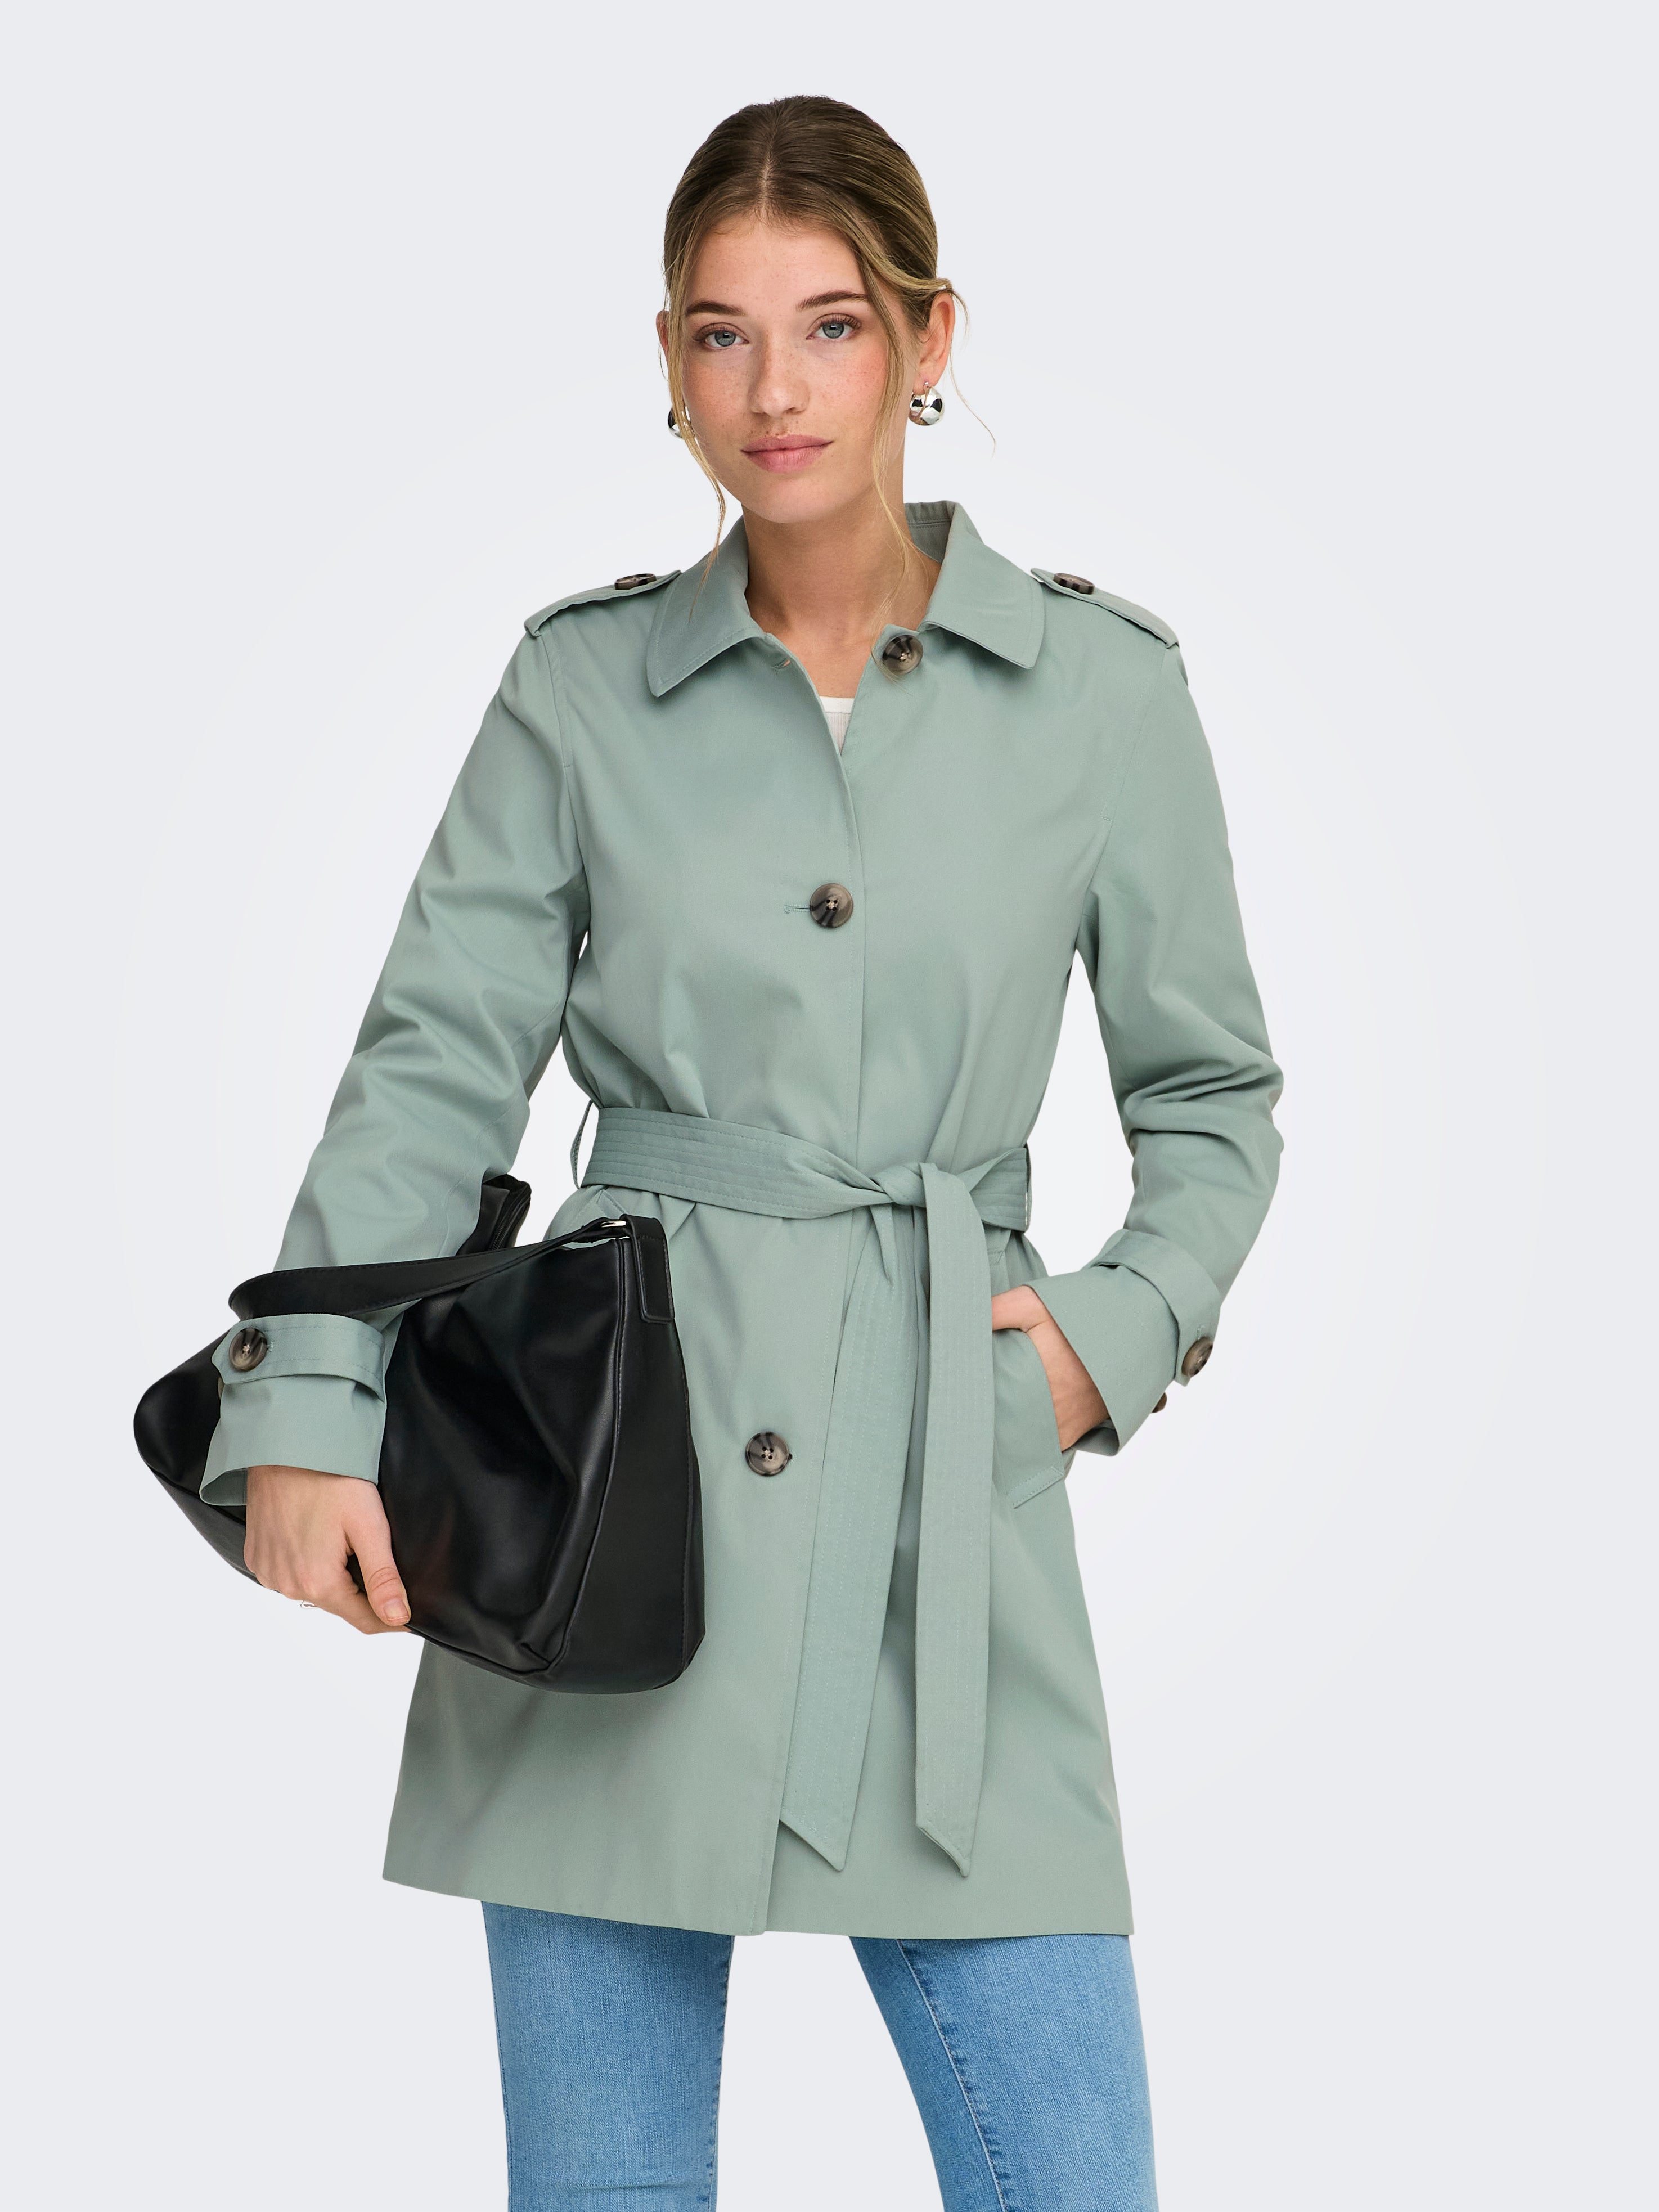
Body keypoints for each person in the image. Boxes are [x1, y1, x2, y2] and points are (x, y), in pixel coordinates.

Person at [205, 94, 1282, 2211]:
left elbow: (1212, 1097)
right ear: (673, 368)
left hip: (943, 1498)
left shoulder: (1102, 695)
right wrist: (314, 1404)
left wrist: (1106, 1341)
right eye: (722, 334)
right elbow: (435, 1064)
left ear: (929, 338)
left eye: (832, 326)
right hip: (610, 1487)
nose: (775, 389)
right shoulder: (580, 688)